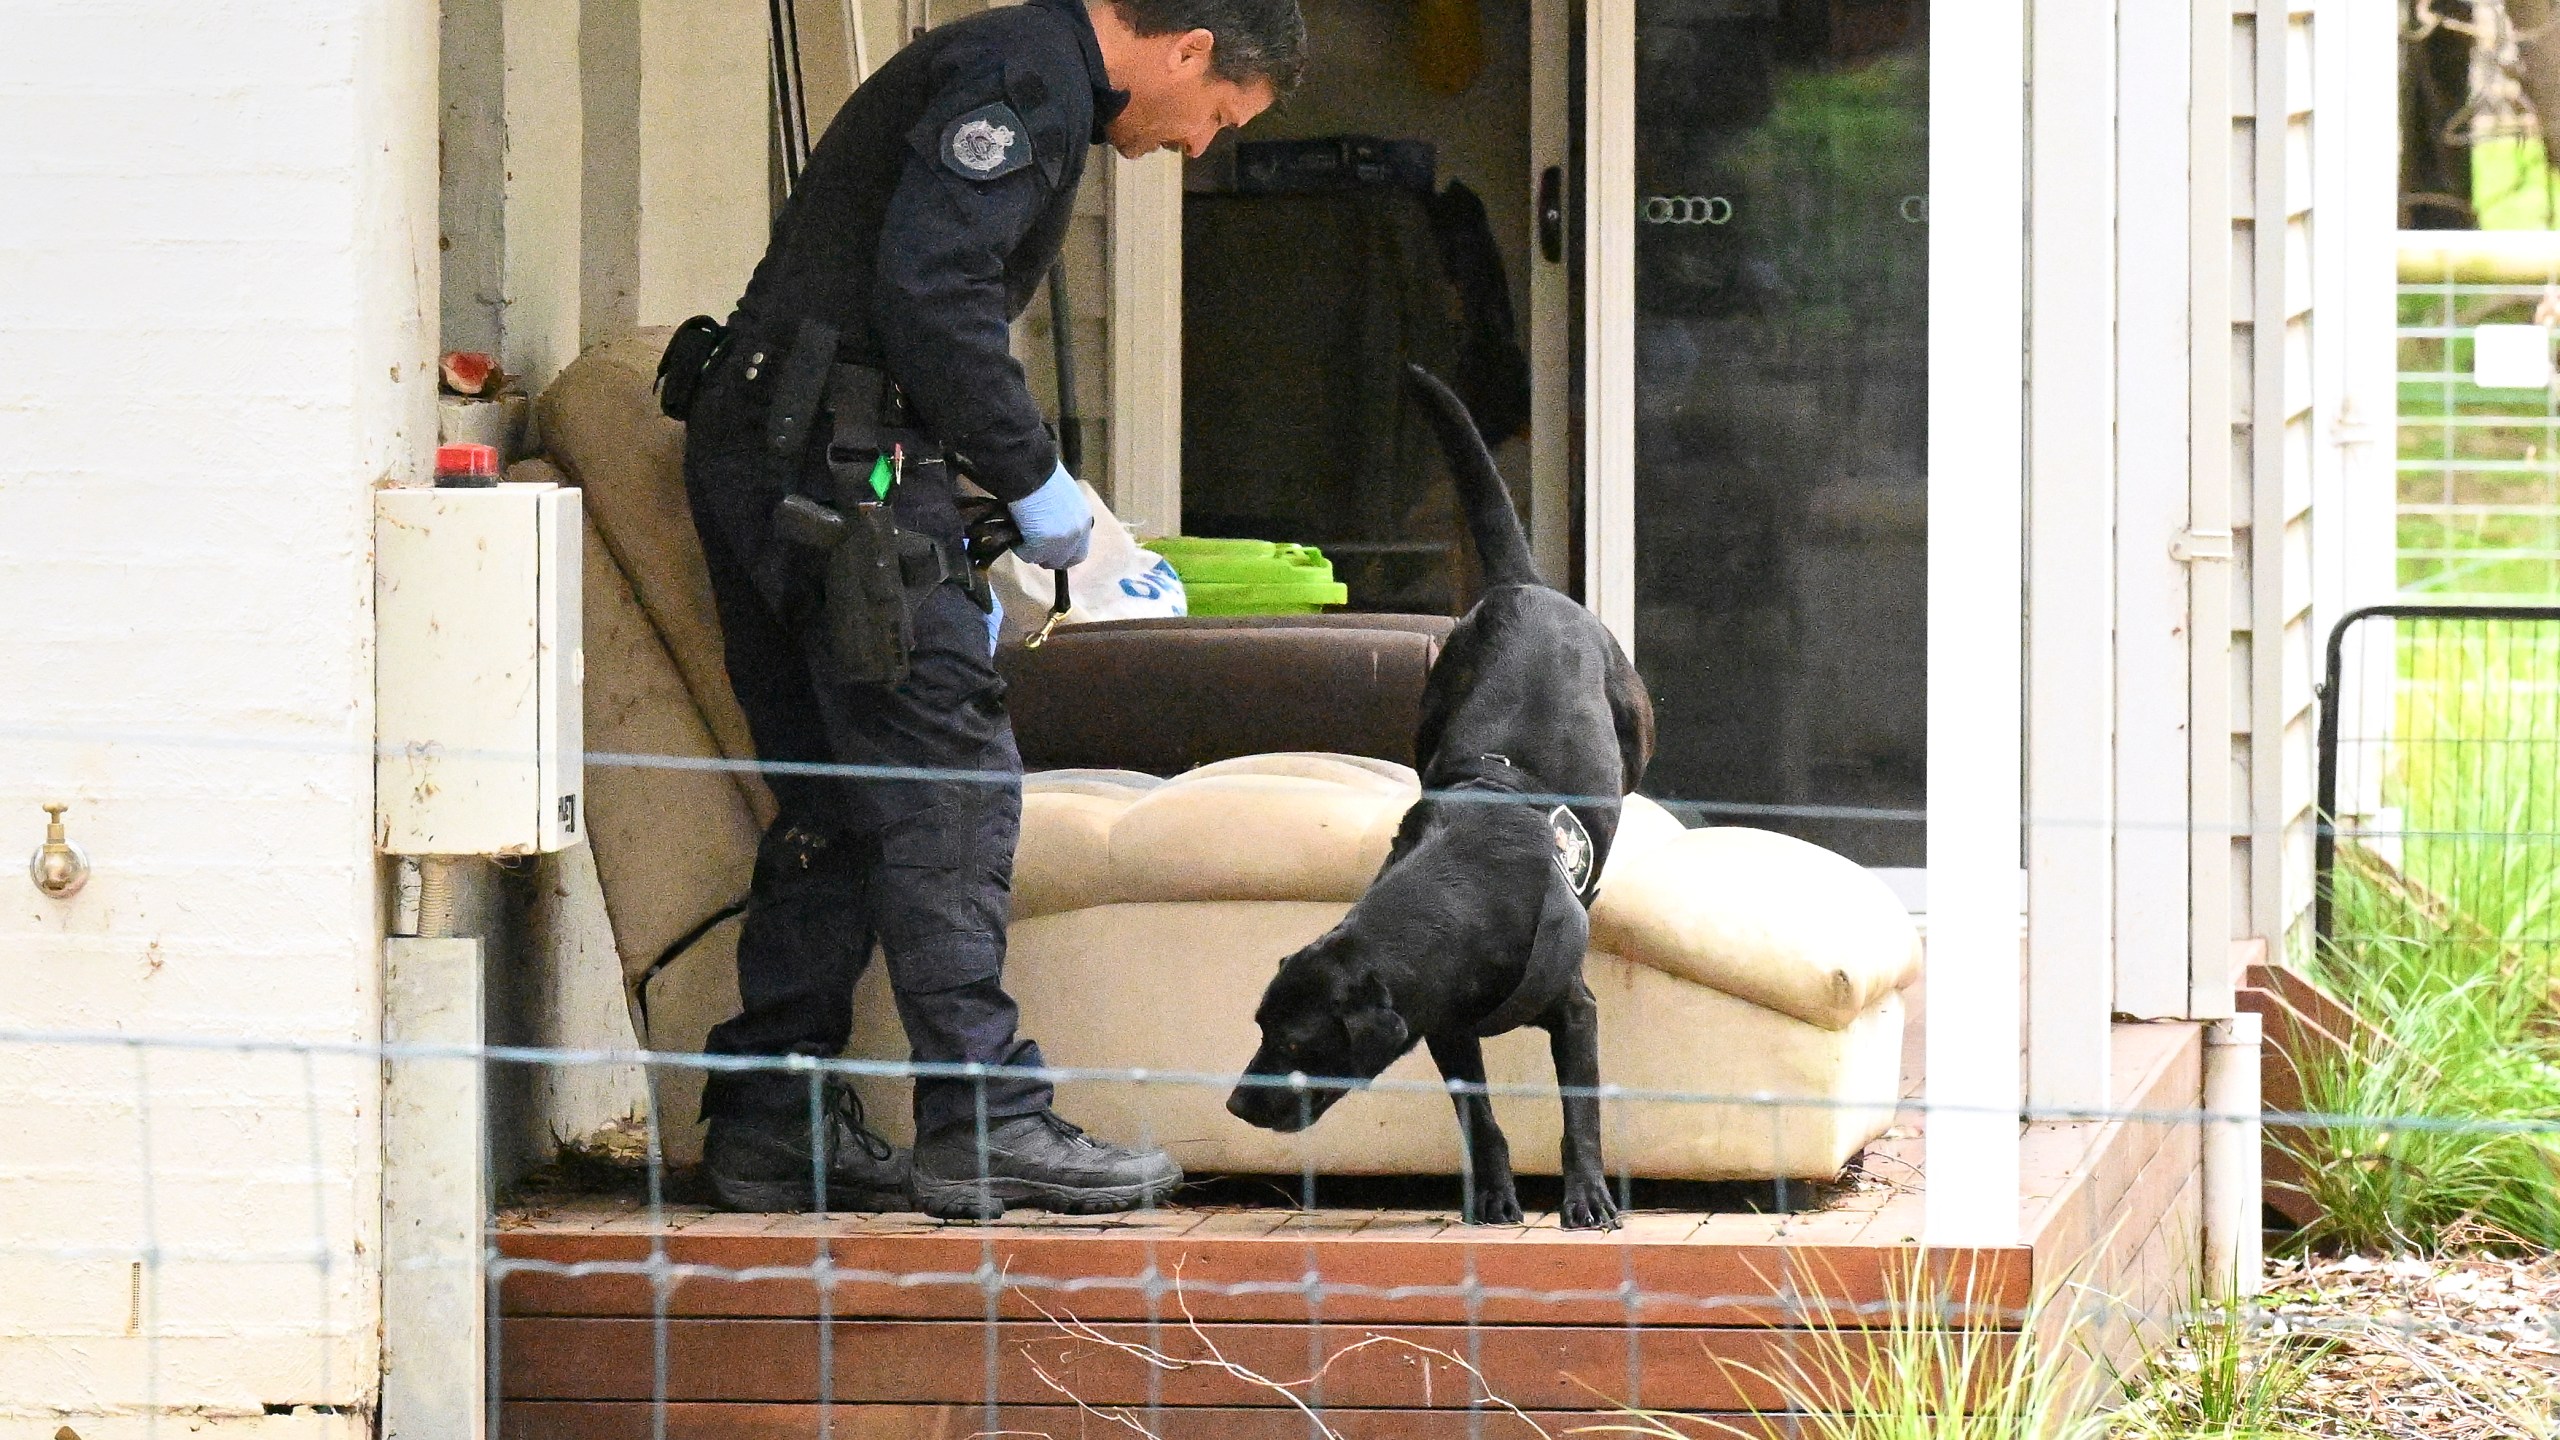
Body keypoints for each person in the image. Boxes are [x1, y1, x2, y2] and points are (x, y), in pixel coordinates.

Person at [672, 0, 1306, 1218]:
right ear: (1186, 52)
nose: (1200, 146)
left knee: (839, 793)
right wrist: (1031, 475)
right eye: (1218, 115)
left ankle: (772, 1118)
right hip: (838, 469)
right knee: (948, 780)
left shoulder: (1012, 66)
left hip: (775, 448)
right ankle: (987, 1120)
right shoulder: (1024, 80)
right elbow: (936, 293)